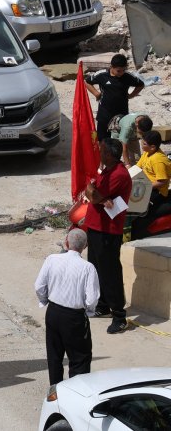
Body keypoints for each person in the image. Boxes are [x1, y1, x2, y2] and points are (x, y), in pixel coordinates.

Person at [35, 228, 99, 386]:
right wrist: (88, 312)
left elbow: (39, 286)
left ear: (66, 242)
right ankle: (75, 396)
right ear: (85, 246)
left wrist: (45, 301)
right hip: (74, 317)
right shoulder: (88, 268)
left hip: (53, 312)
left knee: (54, 356)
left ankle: (55, 393)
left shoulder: (52, 259)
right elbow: (92, 299)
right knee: (79, 359)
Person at [83, 138, 132, 334]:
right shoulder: (105, 170)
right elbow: (89, 191)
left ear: (110, 155)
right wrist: (101, 198)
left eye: (102, 151)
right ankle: (103, 305)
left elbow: (93, 195)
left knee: (110, 271)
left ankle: (119, 315)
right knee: (96, 268)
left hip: (108, 231)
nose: (99, 154)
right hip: (96, 227)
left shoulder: (119, 174)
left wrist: (98, 196)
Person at [86, 54, 144, 140]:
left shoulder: (128, 76)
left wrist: (131, 95)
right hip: (104, 113)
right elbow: (87, 82)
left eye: (124, 70)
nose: (121, 73)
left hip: (121, 114)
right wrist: (96, 93)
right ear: (111, 67)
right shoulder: (102, 75)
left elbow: (141, 85)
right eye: (118, 71)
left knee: (119, 140)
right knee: (102, 140)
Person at [134, 131, 171, 239]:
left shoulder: (158, 160)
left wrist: (146, 186)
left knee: (140, 212)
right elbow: (138, 167)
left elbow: (162, 181)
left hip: (156, 191)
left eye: (144, 144)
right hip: (144, 185)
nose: (141, 145)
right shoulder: (147, 153)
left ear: (153, 147)